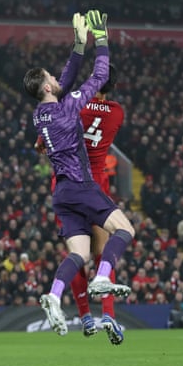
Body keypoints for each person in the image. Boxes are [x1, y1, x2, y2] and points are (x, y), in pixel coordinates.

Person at [23, 10, 135, 340]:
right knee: (124, 229)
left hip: (61, 193)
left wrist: (77, 44)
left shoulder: (39, 114)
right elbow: (97, 77)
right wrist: (100, 39)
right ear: (47, 85)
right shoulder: (71, 106)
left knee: (77, 254)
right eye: (51, 77)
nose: (58, 79)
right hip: (84, 184)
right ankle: (103, 278)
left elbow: (65, 80)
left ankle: (55, 297)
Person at [35, 63, 125, 344]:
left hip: (67, 181)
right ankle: (108, 315)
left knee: (77, 253)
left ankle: (85, 316)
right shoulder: (118, 112)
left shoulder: (74, 107)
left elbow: (42, 144)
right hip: (98, 182)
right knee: (102, 254)